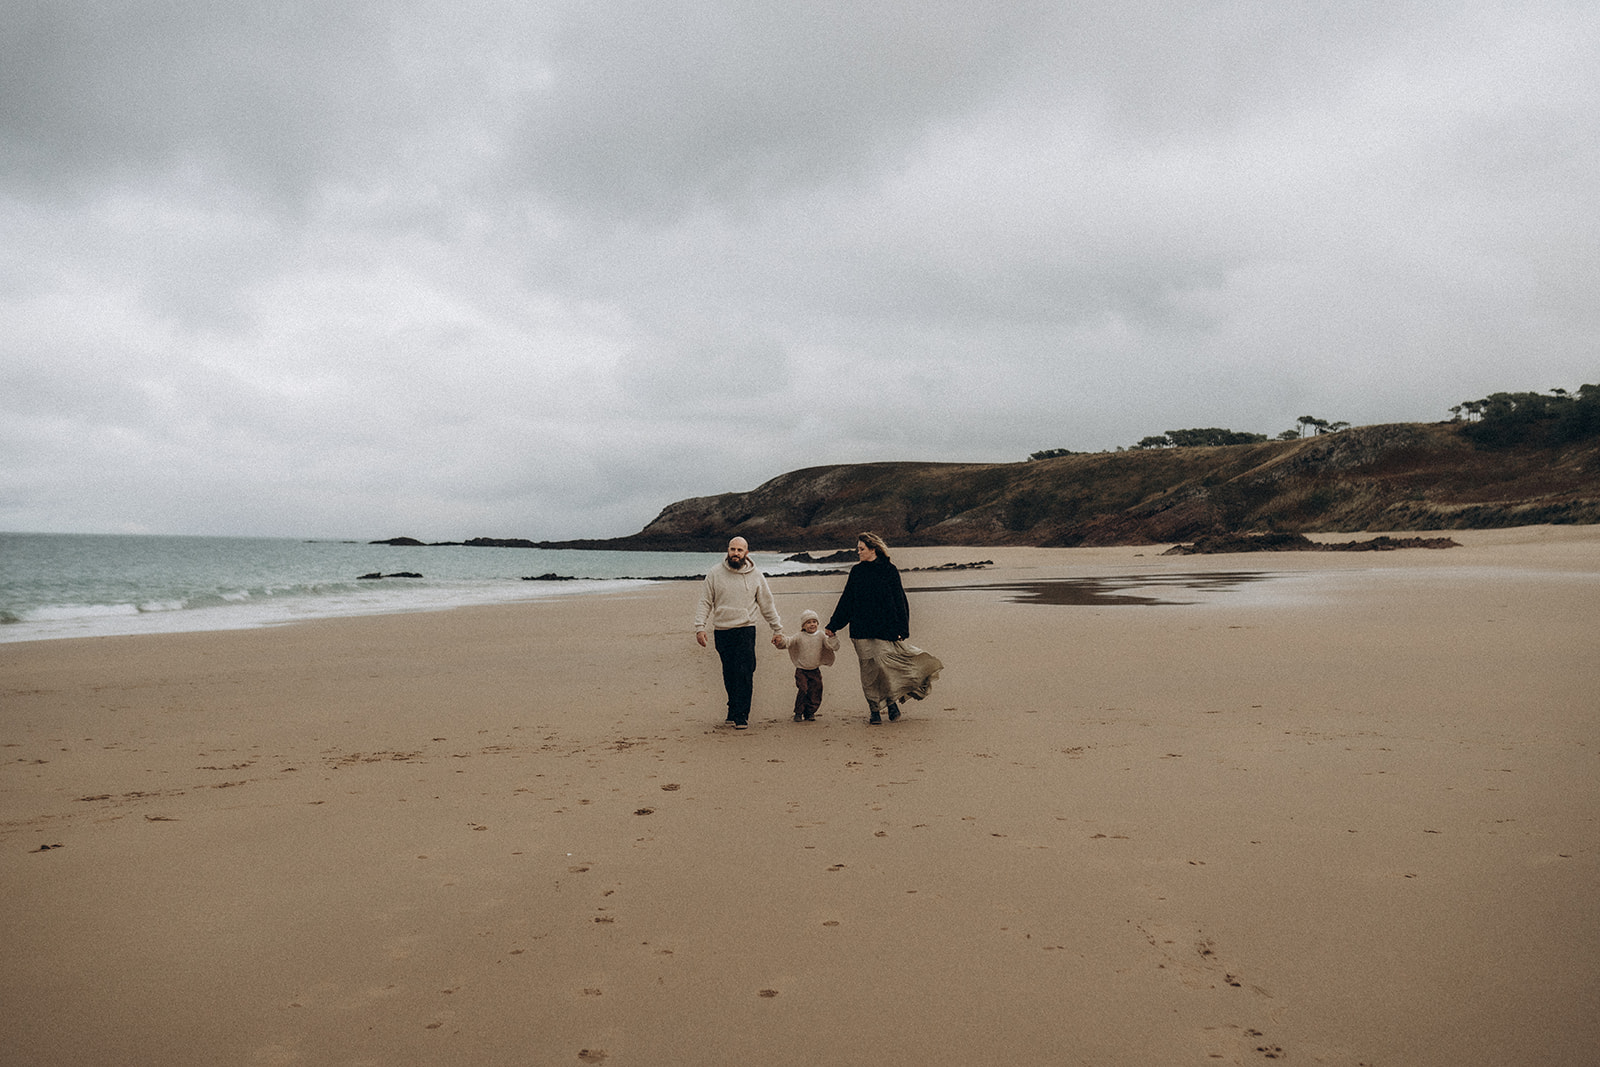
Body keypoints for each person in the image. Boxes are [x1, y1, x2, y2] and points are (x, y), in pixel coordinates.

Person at [825, 532, 944, 724]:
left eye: (861, 549)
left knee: (884, 668)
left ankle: (891, 702)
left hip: (885, 629)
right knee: (869, 673)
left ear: (873, 549)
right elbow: (847, 600)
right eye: (858, 549)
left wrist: (902, 628)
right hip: (860, 630)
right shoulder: (857, 572)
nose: (858, 552)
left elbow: (900, 600)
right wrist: (833, 625)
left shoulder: (889, 570)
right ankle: (874, 709)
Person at [694, 537, 783, 730]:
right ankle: (733, 708)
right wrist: (700, 627)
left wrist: (777, 629)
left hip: (746, 628)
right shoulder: (715, 573)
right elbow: (705, 601)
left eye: (740, 550)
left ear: (746, 553)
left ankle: (742, 715)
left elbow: (767, 604)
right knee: (730, 673)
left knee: (745, 671)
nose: (736, 553)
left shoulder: (756, 575)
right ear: (727, 550)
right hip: (722, 630)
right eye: (732, 549)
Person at [777, 609, 839, 722]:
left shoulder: (821, 635)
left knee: (816, 691)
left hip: (815, 670)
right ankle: (798, 712)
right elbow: (788, 642)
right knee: (803, 689)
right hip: (801, 670)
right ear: (803, 626)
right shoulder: (799, 636)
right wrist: (780, 640)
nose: (812, 624)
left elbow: (832, 646)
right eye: (808, 622)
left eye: (814, 622)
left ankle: (810, 712)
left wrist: (832, 637)